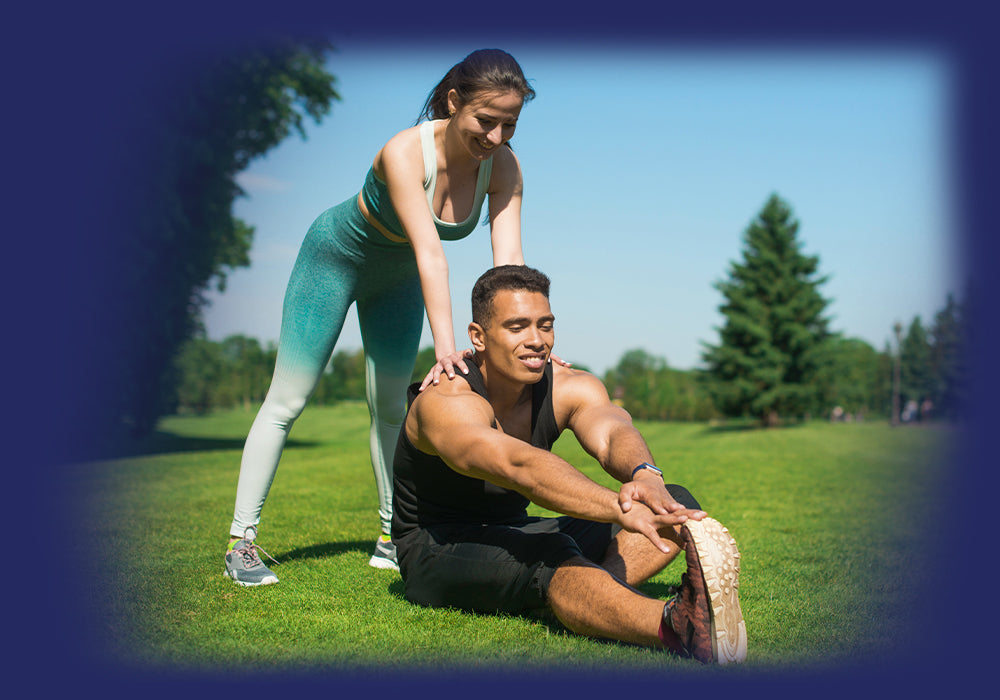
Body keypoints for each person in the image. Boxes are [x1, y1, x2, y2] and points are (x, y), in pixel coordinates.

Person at [224, 49, 548, 586]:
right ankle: (242, 540)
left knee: (391, 410)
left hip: (397, 281)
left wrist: (529, 334)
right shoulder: (404, 151)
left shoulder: (505, 166)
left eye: (508, 124)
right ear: (453, 102)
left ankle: (389, 536)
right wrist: (447, 348)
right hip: (335, 260)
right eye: (485, 121)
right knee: (288, 399)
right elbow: (430, 252)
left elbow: (509, 266)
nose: (495, 137)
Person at [391, 265, 747, 664]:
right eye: (517, 327)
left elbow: (613, 430)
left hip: (515, 528)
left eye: (545, 325)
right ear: (478, 337)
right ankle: (680, 627)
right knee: (552, 553)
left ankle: (591, 599)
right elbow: (517, 465)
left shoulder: (567, 385)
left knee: (669, 502)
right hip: (437, 547)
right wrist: (617, 507)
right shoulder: (446, 401)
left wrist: (646, 475)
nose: (537, 341)